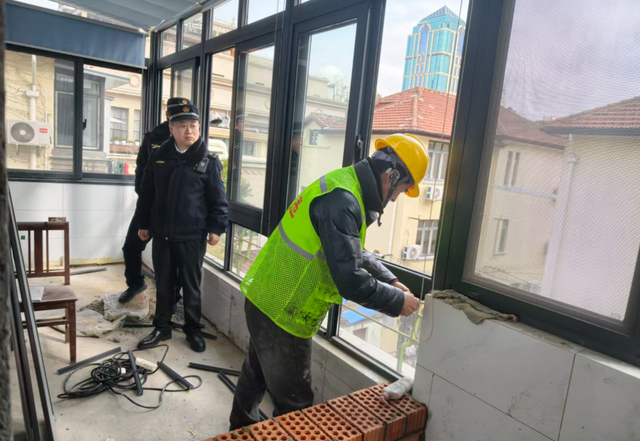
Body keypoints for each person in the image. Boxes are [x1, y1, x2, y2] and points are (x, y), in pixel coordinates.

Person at [229, 134, 428, 428]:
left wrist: (390, 278)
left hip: (268, 297)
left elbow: (351, 249)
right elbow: (350, 280)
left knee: (256, 371)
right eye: (401, 190)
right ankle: (246, 429)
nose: (397, 198)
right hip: (283, 313)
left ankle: (238, 428)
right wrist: (398, 302)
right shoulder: (343, 201)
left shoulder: (344, 185)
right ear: (392, 176)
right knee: (295, 402)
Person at [135, 102, 229, 352]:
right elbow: (147, 194)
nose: (190, 131)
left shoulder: (208, 161)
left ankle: (192, 329)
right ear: (172, 128)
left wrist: (217, 228)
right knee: (164, 283)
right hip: (162, 233)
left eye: (194, 126)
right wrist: (144, 223)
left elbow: (218, 201)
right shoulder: (159, 157)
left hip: (192, 235)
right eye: (183, 126)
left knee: (191, 285)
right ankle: (162, 327)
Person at [119, 97, 193, 304]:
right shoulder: (153, 137)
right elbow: (141, 171)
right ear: (168, 116)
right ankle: (135, 283)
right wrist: (146, 198)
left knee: (172, 256)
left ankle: (172, 298)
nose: (184, 124)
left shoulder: (191, 138)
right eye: (176, 116)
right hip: (150, 206)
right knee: (131, 246)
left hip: (177, 210)